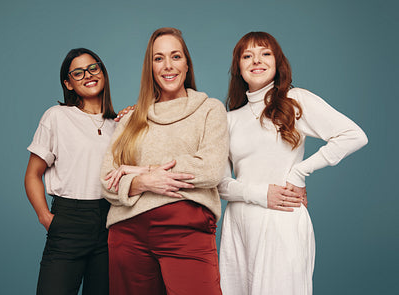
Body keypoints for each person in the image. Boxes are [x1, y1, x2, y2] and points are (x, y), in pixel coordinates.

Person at [218, 32, 368, 295]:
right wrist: (262, 194)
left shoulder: (295, 100)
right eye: (247, 56)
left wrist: (300, 172)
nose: (257, 61)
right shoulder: (229, 119)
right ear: (238, 68)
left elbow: (354, 135)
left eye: (265, 54)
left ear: (277, 63)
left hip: (282, 220)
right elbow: (220, 184)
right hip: (238, 227)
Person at [100, 27, 228, 295]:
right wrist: (145, 182)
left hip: (186, 230)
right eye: (158, 58)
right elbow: (107, 181)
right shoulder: (131, 118)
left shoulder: (210, 109)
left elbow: (211, 169)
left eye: (175, 56)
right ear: (150, 67)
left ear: (187, 63)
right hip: (127, 233)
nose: (168, 66)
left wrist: (142, 171)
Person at [24, 48, 117, 295]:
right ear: (68, 83)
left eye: (93, 67)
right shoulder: (57, 117)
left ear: (102, 71)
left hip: (110, 223)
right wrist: (46, 218)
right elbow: (33, 174)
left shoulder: (118, 124)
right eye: (78, 72)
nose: (88, 74)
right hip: (69, 221)